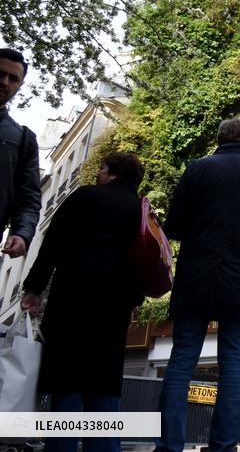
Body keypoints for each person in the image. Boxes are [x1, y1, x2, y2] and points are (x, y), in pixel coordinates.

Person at [155, 118, 240, 452]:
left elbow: (174, 226)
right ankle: (223, 446)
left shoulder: (196, 169)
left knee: (181, 360)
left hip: (196, 278)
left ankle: (169, 445)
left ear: (219, 139)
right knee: (232, 366)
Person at [20, 153, 146, 452]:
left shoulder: (84, 197)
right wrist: (133, 301)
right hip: (112, 308)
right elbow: (143, 260)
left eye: (102, 169)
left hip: (71, 300)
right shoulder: (140, 210)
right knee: (103, 385)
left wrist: (34, 288)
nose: (98, 173)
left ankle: (61, 445)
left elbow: (52, 244)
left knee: (67, 383)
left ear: (113, 174)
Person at [0, 48, 41, 259]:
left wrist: (22, 234)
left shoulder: (23, 139)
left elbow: (29, 197)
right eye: (0, 74)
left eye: (13, 79)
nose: (5, 82)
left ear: (20, 85)